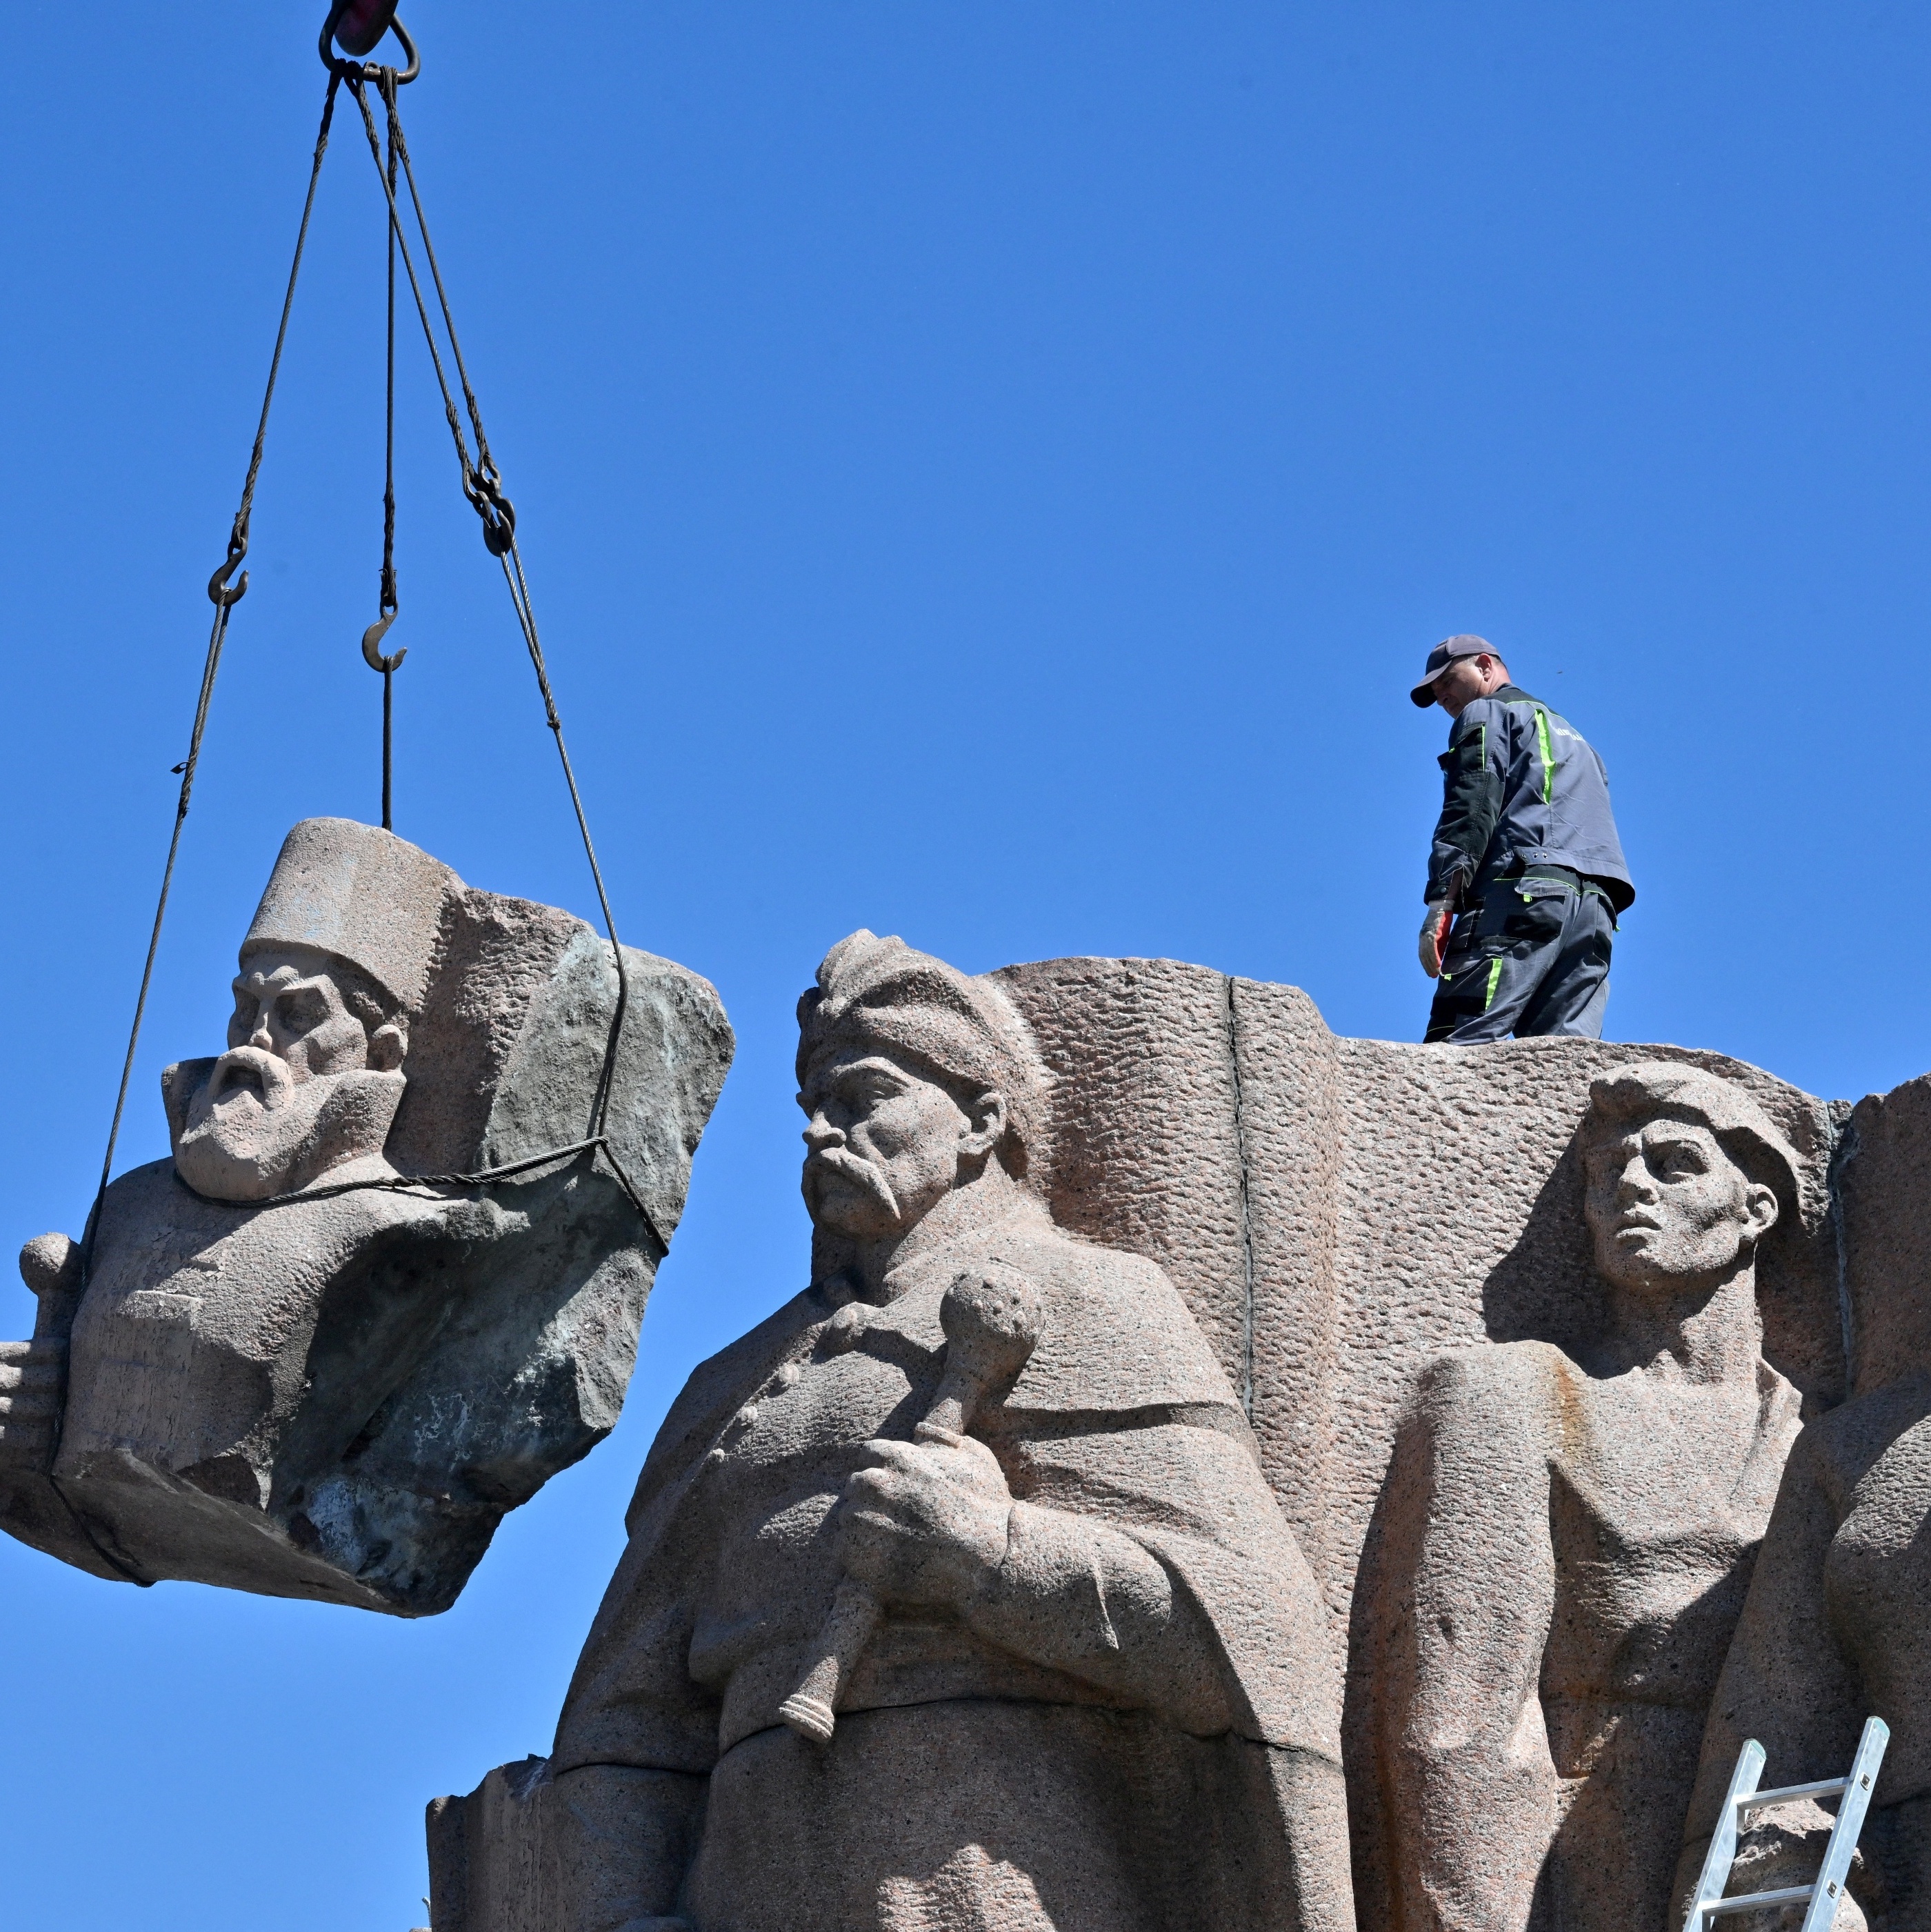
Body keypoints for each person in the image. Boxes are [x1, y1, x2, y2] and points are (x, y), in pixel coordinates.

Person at [434, 930, 1355, 1932]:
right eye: (813, 1109)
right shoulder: (730, 1384)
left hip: (992, 1880)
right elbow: (626, 1725)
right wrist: (631, 1917)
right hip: (746, 1888)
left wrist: (994, 1557)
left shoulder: (1097, 1300)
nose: (824, 1133)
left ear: (980, 1119)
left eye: (863, 1098)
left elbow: (1261, 1629)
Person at [1363, 1064, 1804, 1932]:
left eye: (1675, 1162)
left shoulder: (1814, 1440)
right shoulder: (1506, 1394)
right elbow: (1458, 1727)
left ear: (1755, 1209)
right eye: (1608, 1171)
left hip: (1758, 1873)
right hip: (1569, 1872)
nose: (1630, 1185)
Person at [1409, 635, 1634, 1044]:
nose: (1441, 696)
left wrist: (1442, 900)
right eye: (1434, 691)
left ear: (1484, 665)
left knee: (1458, 1043)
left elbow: (1473, 803)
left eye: (1446, 681)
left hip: (1522, 894)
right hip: (1595, 909)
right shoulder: (1575, 737)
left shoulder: (1487, 711)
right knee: (1565, 1060)